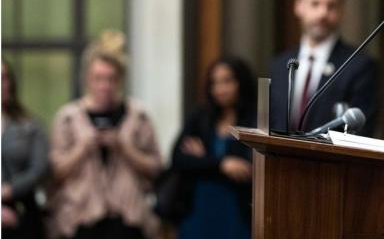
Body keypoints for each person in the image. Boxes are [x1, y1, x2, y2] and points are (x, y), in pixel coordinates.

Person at [48, 31, 161, 239]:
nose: (104, 86)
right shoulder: (68, 118)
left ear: (120, 79)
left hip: (129, 218)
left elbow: (155, 167)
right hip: (80, 218)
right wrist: (82, 147)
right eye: (98, 78)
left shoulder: (139, 116)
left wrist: (124, 147)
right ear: (87, 79)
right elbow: (55, 172)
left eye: (111, 79)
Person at [269, 0, 380, 136]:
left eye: (331, 6)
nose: (323, 14)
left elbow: (361, 131)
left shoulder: (359, 66)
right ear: (299, 6)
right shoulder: (279, 65)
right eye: (315, 4)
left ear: (342, 11)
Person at [171, 56, 256, 239]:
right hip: (197, 208)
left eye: (227, 81)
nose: (220, 89)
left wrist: (202, 160)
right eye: (215, 83)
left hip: (238, 210)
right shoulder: (200, 116)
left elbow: (246, 169)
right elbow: (178, 158)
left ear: (241, 82)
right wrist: (221, 164)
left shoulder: (255, 119)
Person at [2, 60, 48, 239]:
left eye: (4, 78)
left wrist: (10, 189)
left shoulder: (29, 125)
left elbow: (40, 168)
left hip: (23, 210)